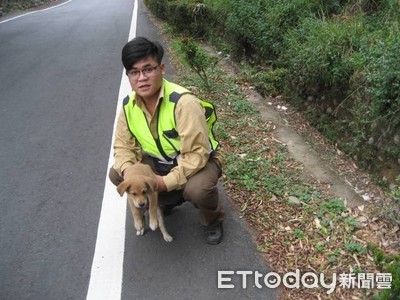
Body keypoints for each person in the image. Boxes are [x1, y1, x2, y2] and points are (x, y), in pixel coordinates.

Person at [109, 36, 225, 245]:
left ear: (161, 68)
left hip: (198, 162)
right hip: (159, 162)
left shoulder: (183, 103)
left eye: (148, 69)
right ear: (128, 76)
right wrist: (130, 173)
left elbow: (197, 154)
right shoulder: (128, 107)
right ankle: (168, 200)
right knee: (117, 173)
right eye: (134, 72)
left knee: (198, 190)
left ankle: (212, 220)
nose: (142, 78)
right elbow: (122, 147)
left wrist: (164, 182)